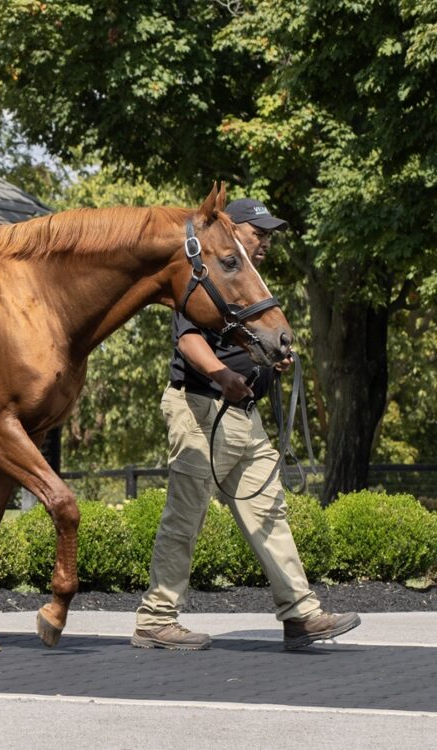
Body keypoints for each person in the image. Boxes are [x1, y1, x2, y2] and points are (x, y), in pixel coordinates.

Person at [132, 198, 361, 651]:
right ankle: (155, 620)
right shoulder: (204, 275)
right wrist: (222, 375)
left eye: (269, 234)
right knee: (187, 515)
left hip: (244, 415)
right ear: (234, 230)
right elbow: (189, 339)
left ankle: (301, 615)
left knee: (270, 511)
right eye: (259, 233)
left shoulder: (246, 284)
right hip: (200, 410)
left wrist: (269, 359)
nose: (267, 242)